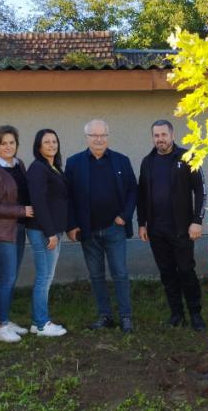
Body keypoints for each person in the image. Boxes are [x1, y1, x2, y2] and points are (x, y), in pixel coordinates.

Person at [66, 119, 137, 334]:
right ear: (86, 138)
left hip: (114, 228)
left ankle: (126, 316)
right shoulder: (74, 163)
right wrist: (71, 225)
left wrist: (125, 215)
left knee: (120, 273)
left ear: (108, 136)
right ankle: (105, 315)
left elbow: (133, 190)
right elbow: (68, 197)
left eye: (102, 135)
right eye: (94, 135)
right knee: (96, 275)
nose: (98, 139)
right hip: (87, 230)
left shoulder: (121, 161)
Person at [137, 120, 207, 331]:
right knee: (167, 273)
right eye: (156, 135)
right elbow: (141, 195)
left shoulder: (188, 157)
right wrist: (142, 224)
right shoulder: (147, 162)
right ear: (153, 138)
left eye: (163, 135)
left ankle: (195, 314)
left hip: (182, 229)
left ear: (172, 135)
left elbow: (201, 190)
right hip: (156, 230)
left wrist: (197, 221)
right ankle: (177, 313)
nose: (160, 139)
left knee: (186, 271)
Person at [0, 125, 34, 343]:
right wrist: (22, 211)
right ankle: (1, 326)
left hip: (17, 228)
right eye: (3, 143)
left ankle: (6, 319)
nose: (8, 147)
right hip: (0, 232)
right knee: (7, 278)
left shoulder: (18, 164)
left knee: (12, 277)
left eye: (12, 142)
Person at [25, 129, 70, 337]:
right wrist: (50, 232)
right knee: (44, 277)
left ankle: (37, 322)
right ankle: (42, 324)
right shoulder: (38, 168)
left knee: (47, 276)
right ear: (39, 146)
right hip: (43, 231)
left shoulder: (53, 167)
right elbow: (39, 202)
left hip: (53, 230)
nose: (52, 145)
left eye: (54, 141)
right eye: (46, 142)